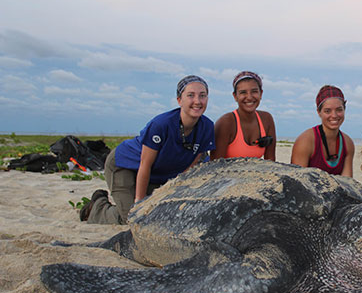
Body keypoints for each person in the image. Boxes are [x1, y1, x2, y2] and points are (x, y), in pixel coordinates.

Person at [81, 75, 215, 225]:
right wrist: (140, 202)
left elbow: (191, 167)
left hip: (158, 174)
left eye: (202, 95)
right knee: (133, 218)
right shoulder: (161, 125)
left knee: (160, 213)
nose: (197, 101)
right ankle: (97, 207)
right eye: (190, 95)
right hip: (125, 165)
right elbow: (145, 164)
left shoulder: (207, 127)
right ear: (179, 100)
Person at [210, 71, 276, 161]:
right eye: (243, 92)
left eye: (254, 91)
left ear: (261, 93)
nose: (249, 97)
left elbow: (270, 161)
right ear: (235, 96)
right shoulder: (226, 123)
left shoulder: (267, 119)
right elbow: (214, 165)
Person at [290, 85, 355, 176]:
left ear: (344, 110)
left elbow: (347, 183)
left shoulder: (347, 143)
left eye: (339, 110)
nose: (334, 115)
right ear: (319, 112)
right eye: (327, 111)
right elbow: (296, 180)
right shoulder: (306, 140)